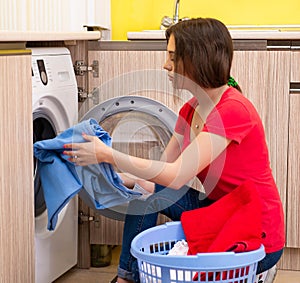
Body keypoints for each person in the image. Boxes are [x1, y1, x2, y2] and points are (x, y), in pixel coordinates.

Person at [64, 18, 285, 283]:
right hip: (218, 211)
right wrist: (117, 177)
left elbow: (177, 175)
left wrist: (107, 154)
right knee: (147, 192)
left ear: (196, 59)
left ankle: (260, 269)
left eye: (172, 56)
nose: (166, 65)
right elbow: (159, 175)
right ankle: (126, 277)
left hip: (255, 228)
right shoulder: (190, 110)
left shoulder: (232, 111)